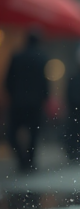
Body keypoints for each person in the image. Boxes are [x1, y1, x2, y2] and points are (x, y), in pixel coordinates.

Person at [4, 33, 49, 173]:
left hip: (18, 102)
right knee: (33, 134)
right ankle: (29, 161)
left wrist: (12, 95)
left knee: (12, 133)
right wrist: (44, 98)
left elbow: (8, 80)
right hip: (35, 103)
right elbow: (44, 83)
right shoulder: (41, 58)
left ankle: (22, 159)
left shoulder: (17, 57)